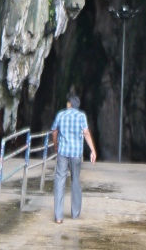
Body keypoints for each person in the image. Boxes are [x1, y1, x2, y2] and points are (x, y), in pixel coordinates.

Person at [51, 95, 96, 223]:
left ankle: (58, 217)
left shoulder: (61, 115)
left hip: (63, 152)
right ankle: (75, 214)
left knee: (60, 181)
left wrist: (56, 145)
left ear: (69, 104)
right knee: (75, 181)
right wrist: (93, 150)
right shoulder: (81, 116)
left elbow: (54, 131)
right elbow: (86, 132)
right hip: (76, 153)